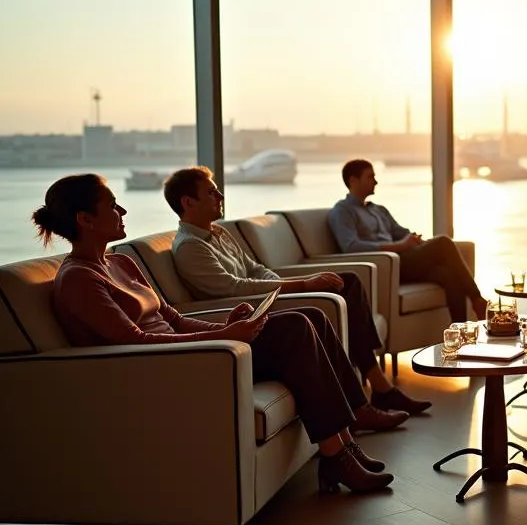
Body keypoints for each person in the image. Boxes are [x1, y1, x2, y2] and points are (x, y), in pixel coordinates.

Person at [33, 174, 394, 495]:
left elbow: (172, 317)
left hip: (197, 352)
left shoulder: (120, 262)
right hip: (174, 367)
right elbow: (136, 341)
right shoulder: (79, 279)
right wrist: (222, 339)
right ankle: (336, 456)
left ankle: (344, 445)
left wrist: (225, 329)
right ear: (85, 219)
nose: (123, 211)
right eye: (112, 206)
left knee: (311, 315)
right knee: (298, 326)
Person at [164, 166, 430, 419]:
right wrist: (299, 286)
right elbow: (234, 288)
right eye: (211, 192)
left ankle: (377, 387)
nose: (220, 196)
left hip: (266, 299)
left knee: (346, 281)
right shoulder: (190, 247)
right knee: (318, 308)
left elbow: (255, 269)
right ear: (188, 202)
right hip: (248, 314)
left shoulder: (218, 233)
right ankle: (368, 401)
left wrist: (279, 286)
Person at [329, 159, 488, 323]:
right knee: (443, 243)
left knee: (448, 276)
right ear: (353, 180)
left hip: (407, 260)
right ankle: (477, 300)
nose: (376, 181)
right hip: (389, 266)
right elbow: (351, 246)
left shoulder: (378, 209)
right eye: (370, 177)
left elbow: (400, 232)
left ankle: (461, 333)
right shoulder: (342, 211)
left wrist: (415, 240)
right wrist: (399, 246)